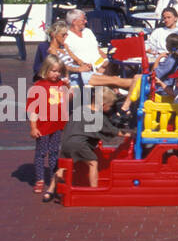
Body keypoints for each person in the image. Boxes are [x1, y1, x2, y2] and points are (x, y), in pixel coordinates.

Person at [50, 86, 124, 191]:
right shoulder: (98, 116)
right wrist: (129, 135)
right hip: (78, 144)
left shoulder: (79, 110)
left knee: (63, 167)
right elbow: (113, 131)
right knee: (93, 162)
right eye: (110, 106)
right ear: (103, 105)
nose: (110, 109)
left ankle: (50, 190)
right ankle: (94, 191)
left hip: (66, 142)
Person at [28, 56, 70, 197]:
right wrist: (33, 127)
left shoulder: (61, 85)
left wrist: (69, 89)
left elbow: (66, 99)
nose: (56, 74)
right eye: (53, 71)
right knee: (41, 153)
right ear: (46, 70)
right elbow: (33, 109)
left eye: (59, 71)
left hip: (57, 125)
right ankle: (39, 178)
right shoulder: (39, 87)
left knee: (53, 152)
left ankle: (54, 178)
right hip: (43, 126)